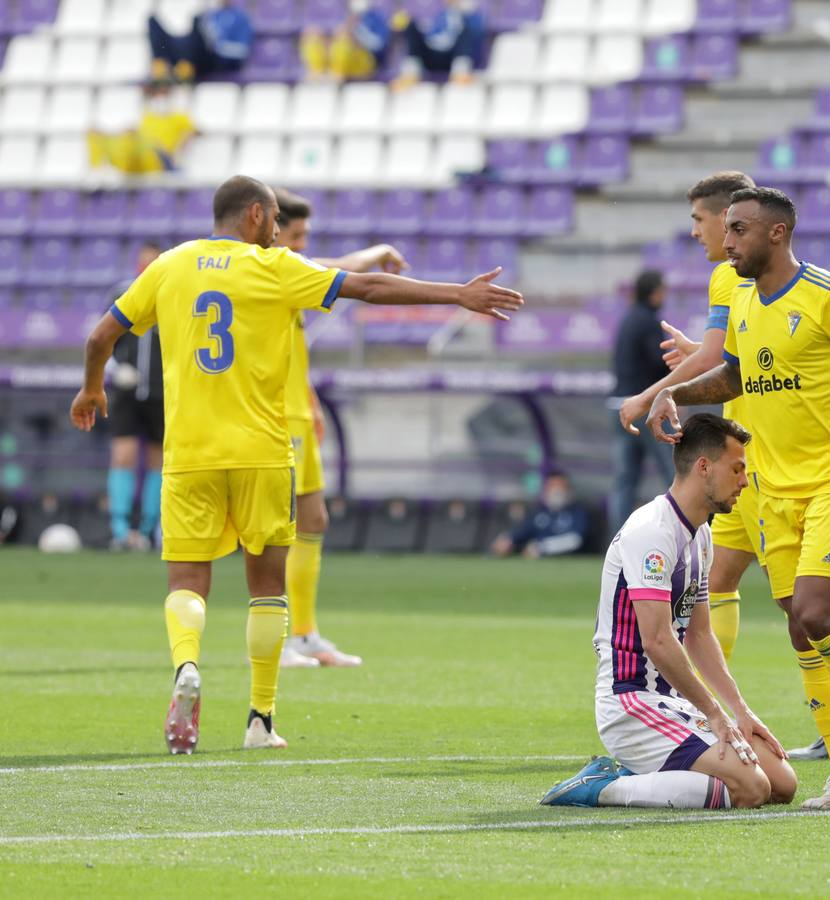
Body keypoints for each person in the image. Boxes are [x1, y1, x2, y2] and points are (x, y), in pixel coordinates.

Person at [70, 175, 523, 755]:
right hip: (261, 452)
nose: (281, 232)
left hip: (189, 454)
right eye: (278, 220)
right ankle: (260, 719)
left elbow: (100, 337)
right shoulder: (273, 268)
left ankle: (186, 666)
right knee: (265, 588)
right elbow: (370, 287)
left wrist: (91, 390)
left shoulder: (170, 266)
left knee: (187, 581)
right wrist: (457, 294)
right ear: (256, 215)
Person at [646, 187, 830, 810]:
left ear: (777, 234)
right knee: (799, 626)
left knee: (815, 612)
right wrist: (678, 393)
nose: (726, 240)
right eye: (725, 228)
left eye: (739, 229)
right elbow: (736, 374)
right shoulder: (747, 302)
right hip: (773, 488)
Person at [541, 414, 796, 809]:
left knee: (782, 783)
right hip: (630, 704)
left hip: (672, 702)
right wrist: (714, 713)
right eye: (738, 469)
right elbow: (658, 641)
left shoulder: (702, 533)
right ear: (704, 467)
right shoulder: (651, 531)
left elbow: (699, 635)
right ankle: (604, 786)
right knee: (752, 789)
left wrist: (739, 711)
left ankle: (650, 773)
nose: (745, 482)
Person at [619, 172, 761, 668]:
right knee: (717, 580)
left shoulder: (729, 274)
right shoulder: (749, 276)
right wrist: (698, 352)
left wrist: (648, 395)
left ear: (727, 218)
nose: (695, 232)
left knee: (803, 603)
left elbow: (719, 359)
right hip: (753, 444)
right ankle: (708, 710)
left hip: (764, 452)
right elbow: (729, 356)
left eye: (699, 220)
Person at [273, 187, 410, 669]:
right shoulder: (270, 272)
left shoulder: (284, 272)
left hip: (296, 415)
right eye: (296, 235)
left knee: (312, 521)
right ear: (270, 230)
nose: (301, 246)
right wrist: (374, 255)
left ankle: (304, 634)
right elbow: (346, 270)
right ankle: (279, 639)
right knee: (277, 532)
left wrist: (309, 401)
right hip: (272, 420)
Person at [106, 242, 164, 551]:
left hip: (161, 392)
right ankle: (119, 529)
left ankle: (150, 529)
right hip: (127, 392)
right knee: (123, 455)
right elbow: (103, 337)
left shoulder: (171, 293)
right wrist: (117, 368)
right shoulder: (121, 292)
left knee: (159, 458)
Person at [608, 270, 676, 535]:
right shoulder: (648, 321)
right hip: (644, 406)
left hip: (617, 405)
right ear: (654, 292)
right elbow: (659, 362)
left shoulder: (627, 319)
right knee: (674, 474)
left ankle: (618, 542)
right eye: (662, 290)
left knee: (624, 481)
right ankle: (682, 536)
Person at [87, 81, 197, 176]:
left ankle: (108, 167)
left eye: (163, 92)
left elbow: (192, 132)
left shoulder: (180, 116)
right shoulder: (146, 116)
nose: (159, 96)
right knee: (96, 134)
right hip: (141, 155)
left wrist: (176, 156)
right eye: (156, 92)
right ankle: (101, 169)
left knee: (133, 140)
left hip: (160, 157)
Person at [147, 1, 254, 83]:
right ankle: (162, 65)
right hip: (198, 54)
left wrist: (217, 46)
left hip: (218, 59)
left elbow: (242, 51)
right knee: (153, 22)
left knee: (196, 24)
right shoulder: (211, 15)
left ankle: (186, 67)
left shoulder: (241, 17)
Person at [490, 471, 589, 559]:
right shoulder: (541, 512)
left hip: (566, 561)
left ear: (568, 489)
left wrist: (542, 548)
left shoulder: (577, 512)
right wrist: (509, 540)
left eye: (560, 487)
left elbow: (575, 540)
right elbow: (524, 531)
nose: (556, 491)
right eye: (552, 486)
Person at [392, 0, 486, 89]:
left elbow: (477, 32)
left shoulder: (468, 15)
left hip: (454, 59)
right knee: (411, 26)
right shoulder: (437, 14)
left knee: (466, 33)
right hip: (431, 58)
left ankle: (461, 72)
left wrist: (465, 12)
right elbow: (431, 35)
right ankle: (411, 73)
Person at [300, 0, 393, 83]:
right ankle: (318, 72)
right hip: (347, 60)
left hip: (368, 61)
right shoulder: (348, 17)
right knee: (314, 38)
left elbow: (378, 45)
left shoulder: (376, 18)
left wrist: (358, 40)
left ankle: (337, 74)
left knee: (343, 42)